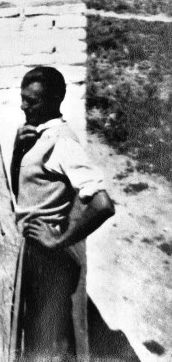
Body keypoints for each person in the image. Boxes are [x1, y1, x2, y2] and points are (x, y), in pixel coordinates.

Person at [11, 66, 115, 360]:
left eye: (33, 101)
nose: (24, 106)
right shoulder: (37, 135)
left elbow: (102, 203)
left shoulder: (62, 142)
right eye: (23, 98)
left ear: (55, 101)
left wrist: (59, 240)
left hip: (50, 258)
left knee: (51, 344)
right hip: (32, 252)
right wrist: (18, 149)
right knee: (36, 336)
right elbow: (20, 189)